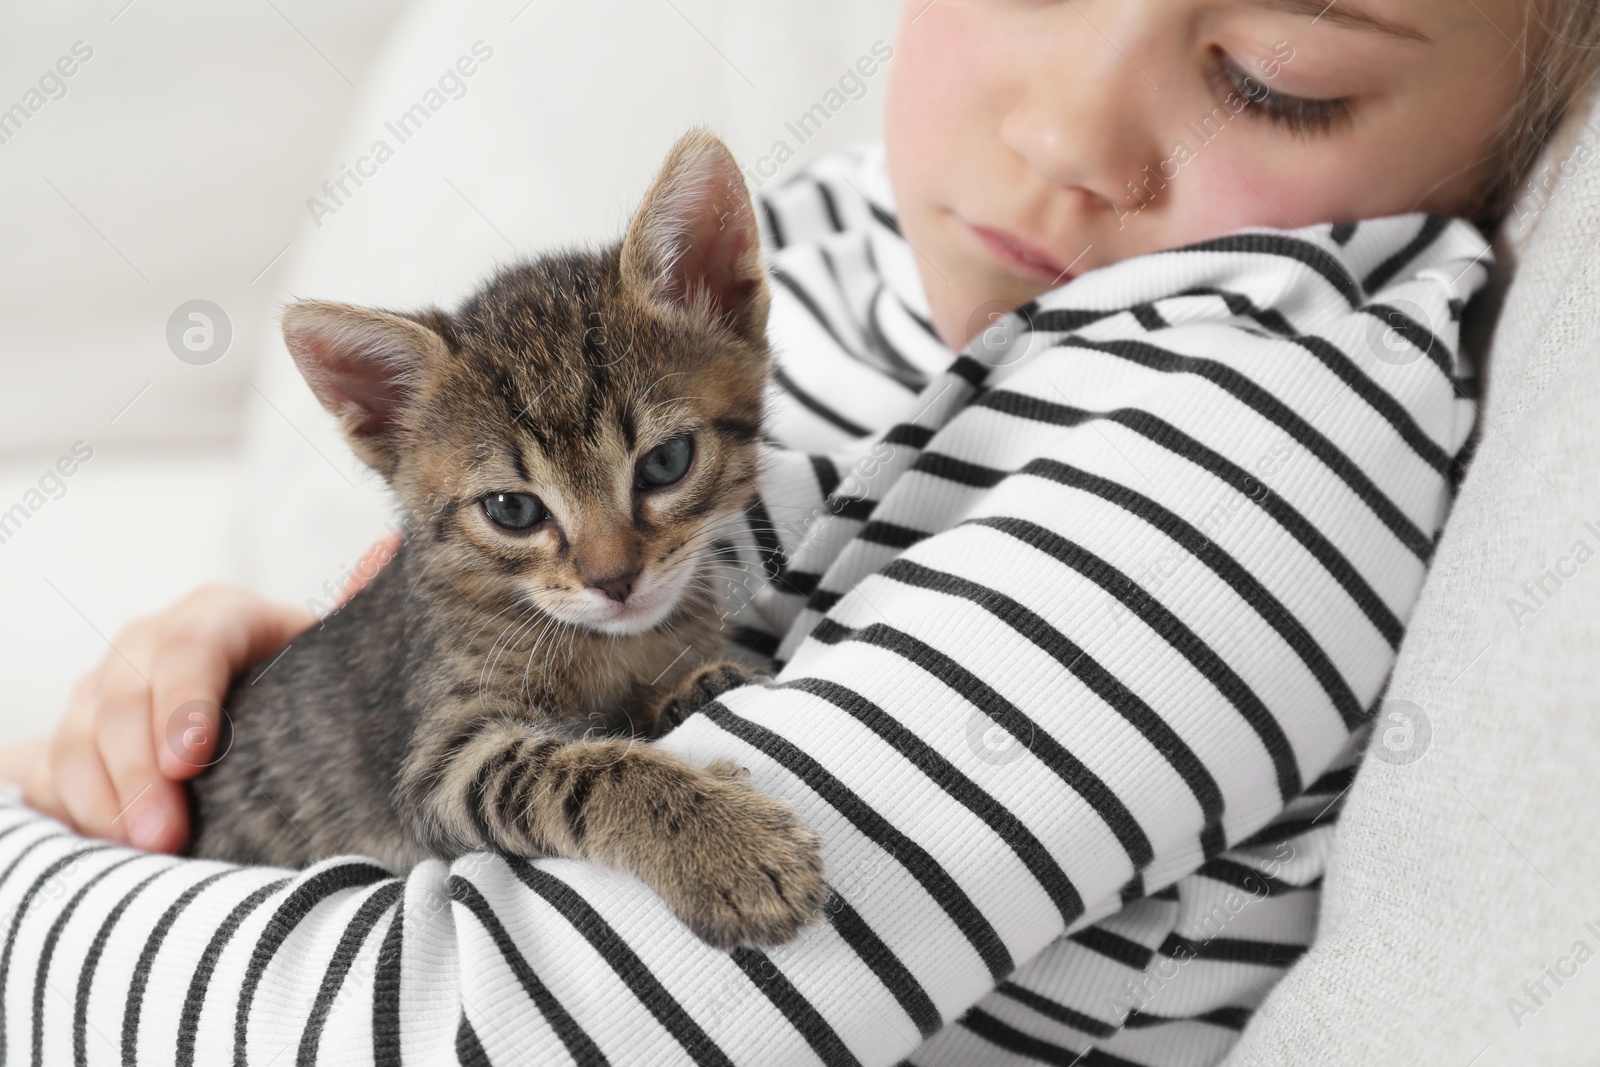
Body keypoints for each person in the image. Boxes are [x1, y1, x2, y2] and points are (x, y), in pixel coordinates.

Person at [1, 1, 1594, 1064]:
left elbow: (504, 1025)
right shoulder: (835, 245)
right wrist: (283, 696)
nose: (1064, 138)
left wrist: (27, 879)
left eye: (1274, 77)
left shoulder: (1266, 421)